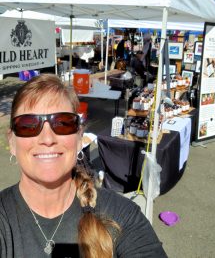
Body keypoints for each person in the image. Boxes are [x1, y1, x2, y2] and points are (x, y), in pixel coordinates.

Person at [0, 73, 167, 258]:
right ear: (12, 142)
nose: (47, 139)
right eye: (28, 125)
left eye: (63, 123)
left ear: (79, 138)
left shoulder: (122, 216)